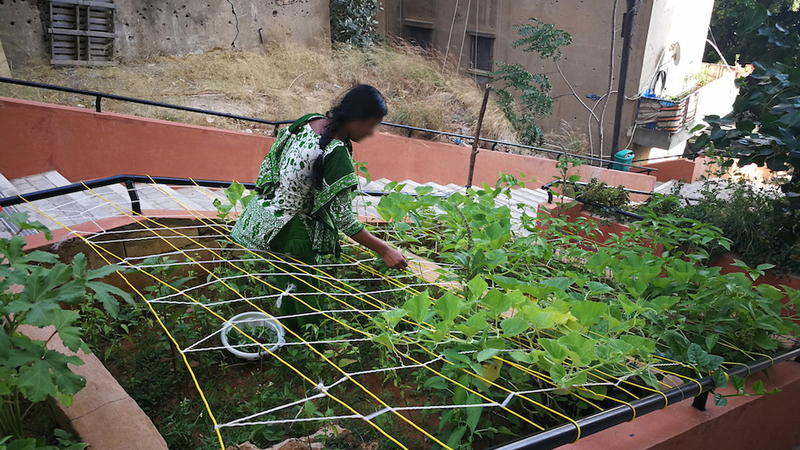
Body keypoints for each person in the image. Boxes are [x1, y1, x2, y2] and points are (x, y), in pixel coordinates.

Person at [231, 84, 408, 335]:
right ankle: (312, 345)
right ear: (355, 118)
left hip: (268, 217)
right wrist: (385, 250)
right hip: (294, 232)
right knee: (306, 292)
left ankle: (289, 332)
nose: (372, 133)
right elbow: (345, 221)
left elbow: (273, 159)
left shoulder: (308, 122)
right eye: (371, 124)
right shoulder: (336, 154)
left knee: (288, 282)